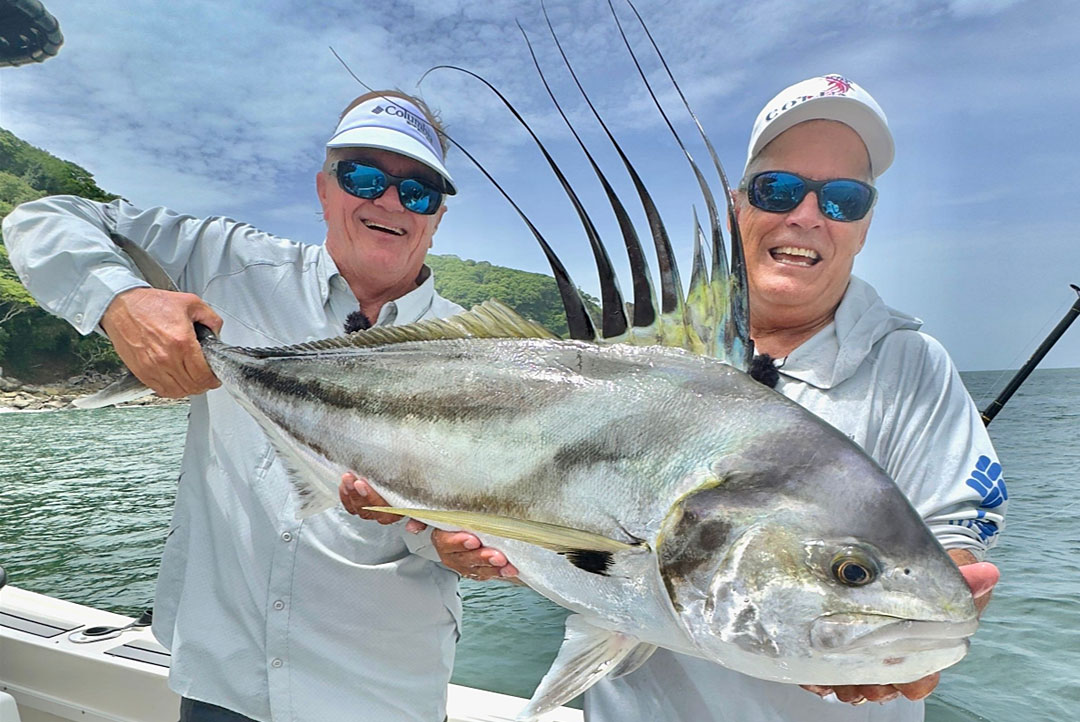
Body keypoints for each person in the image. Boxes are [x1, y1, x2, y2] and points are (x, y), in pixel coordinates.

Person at [426, 76, 1007, 722]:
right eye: (778, 189)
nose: (807, 215)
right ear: (738, 206)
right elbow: (535, 521)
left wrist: (915, 627)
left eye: (844, 198)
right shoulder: (638, 359)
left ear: (865, 225)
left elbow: (953, 545)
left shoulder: (912, 368)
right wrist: (468, 535)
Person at [3, 90, 470, 722]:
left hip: (381, 692)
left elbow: (461, 520)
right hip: (224, 677)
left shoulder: (475, 353)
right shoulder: (225, 261)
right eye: (363, 177)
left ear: (437, 217)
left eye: (418, 191)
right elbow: (43, 217)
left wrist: (451, 544)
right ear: (324, 189)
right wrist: (121, 299)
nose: (389, 201)